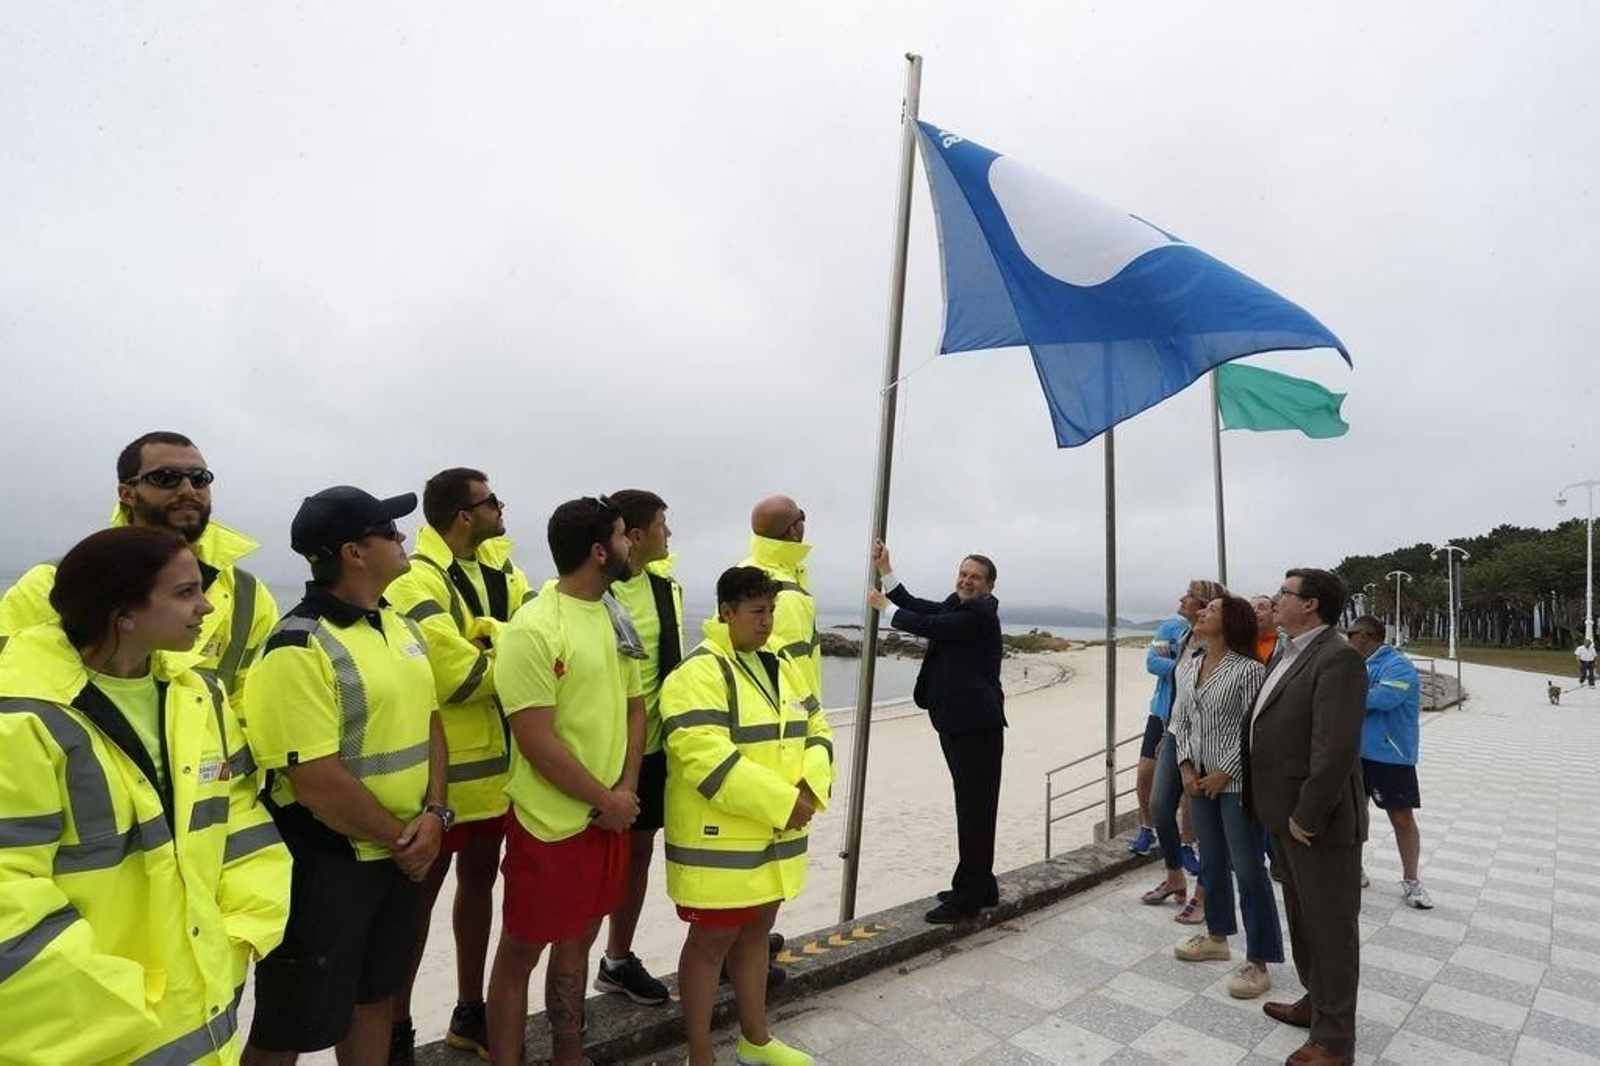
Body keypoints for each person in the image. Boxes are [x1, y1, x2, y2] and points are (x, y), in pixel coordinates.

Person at [0, 527, 291, 1063]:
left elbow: (241, 815)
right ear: (122, 613)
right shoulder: (23, 719)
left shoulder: (198, 694)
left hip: (205, 1009)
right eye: (184, 593)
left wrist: (241, 934)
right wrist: (131, 999)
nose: (206, 607)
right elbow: (8, 897)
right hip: (95, 1036)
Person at [242, 487, 449, 1065]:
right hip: (328, 865)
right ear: (355, 552)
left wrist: (435, 815)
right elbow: (315, 780)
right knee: (288, 1023)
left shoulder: (400, 627)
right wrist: (403, 839)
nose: (403, 538)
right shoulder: (296, 645)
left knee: (376, 999)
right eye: (390, 530)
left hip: (403, 854)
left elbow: (430, 722)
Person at [485, 497, 645, 1066]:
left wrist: (624, 791)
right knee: (520, 952)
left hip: (609, 817)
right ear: (600, 551)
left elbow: (634, 707)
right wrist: (605, 797)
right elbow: (536, 740)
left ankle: (568, 1053)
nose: (634, 545)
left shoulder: (612, 613)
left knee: (579, 939)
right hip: (549, 824)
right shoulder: (532, 628)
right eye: (626, 537)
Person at [383, 469, 537, 1060]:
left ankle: (468, 1011)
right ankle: (398, 1029)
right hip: (440, 776)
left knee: (481, 884)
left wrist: (485, 634)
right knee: (414, 905)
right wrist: (512, 658)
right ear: (464, 515)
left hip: (503, 773)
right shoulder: (415, 577)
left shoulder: (505, 572)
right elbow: (453, 674)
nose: (503, 507)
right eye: (491, 500)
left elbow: (540, 646)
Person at [0, 431, 278, 748]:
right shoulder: (53, 583)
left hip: (220, 788)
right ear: (127, 493)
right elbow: (11, 694)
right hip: (87, 779)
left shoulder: (249, 596)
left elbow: (259, 705)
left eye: (200, 478)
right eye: (166, 478)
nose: (188, 490)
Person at [663, 566, 833, 1066]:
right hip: (722, 841)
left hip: (776, 836)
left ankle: (754, 1040)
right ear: (726, 611)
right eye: (757, 611)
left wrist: (810, 785)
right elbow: (705, 758)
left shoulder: (781, 662)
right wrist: (786, 803)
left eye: (771, 611)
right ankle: (700, 1055)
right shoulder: (697, 672)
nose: (767, 622)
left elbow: (817, 724)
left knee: (758, 932)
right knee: (710, 942)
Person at [1245, 569, 1368, 1065]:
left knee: (1331, 929)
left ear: (1311, 604)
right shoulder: (1290, 650)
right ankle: (1315, 1002)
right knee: (1302, 916)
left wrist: (1308, 815)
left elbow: (1335, 749)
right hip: (1283, 814)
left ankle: (1335, 1039)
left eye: (1285, 592)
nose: (1275, 598)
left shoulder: (1338, 658)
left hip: (1316, 821)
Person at [868, 540, 1005, 924]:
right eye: (963, 574)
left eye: (975, 577)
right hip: (961, 721)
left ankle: (969, 896)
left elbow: (928, 625)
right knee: (975, 806)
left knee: (974, 809)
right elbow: (918, 606)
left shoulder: (978, 614)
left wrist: (886, 609)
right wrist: (886, 568)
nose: (967, 581)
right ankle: (981, 883)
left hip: (975, 725)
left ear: (990, 585)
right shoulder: (959, 604)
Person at [590, 489, 682, 1007]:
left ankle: (617, 960)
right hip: (599, 753)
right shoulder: (597, 592)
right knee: (595, 859)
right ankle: (566, 976)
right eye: (663, 525)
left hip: (651, 750)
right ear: (636, 535)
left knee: (639, 855)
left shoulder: (667, 589)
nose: (671, 534)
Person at [1169, 595, 1282, 1000]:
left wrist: (1226, 771)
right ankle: (1217, 935)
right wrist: (1185, 766)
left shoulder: (1250, 669)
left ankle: (1260, 958)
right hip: (1197, 781)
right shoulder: (1190, 665)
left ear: (1230, 621)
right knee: (1212, 862)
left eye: (1211, 610)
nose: (1201, 613)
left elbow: (1255, 728)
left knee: (1249, 868)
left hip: (1233, 783)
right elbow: (1179, 718)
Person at [1142, 581, 1226, 923]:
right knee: (1160, 805)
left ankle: (1205, 896)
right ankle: (1175, 876)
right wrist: (1169, 729)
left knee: (1208, 820)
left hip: (1209, 740)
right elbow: (1179, 687)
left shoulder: (1222, 647)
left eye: (1191, 598)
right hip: (1175, 731)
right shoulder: (1182, 638)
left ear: (1206, 606)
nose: (1183, 600)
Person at [1345, 615, 1433, 909]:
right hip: (1357, 754)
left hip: (1391, 756)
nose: (1347, 638)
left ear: (1366, 636)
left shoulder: (1398, 665)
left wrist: (1339, 694)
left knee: (1401, 818)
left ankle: (1412, 880)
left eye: (1351, 633)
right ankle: (1354, 869)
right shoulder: (1356, 663)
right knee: (1355, 814)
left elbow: (1380, 700)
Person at [741, 495, 822, 702]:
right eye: (801, 516)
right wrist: (811, 724)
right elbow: (793, 673)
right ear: (793, 531)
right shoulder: (785, 594)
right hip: (786, 722)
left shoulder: (741, 573)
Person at [1253, 595, 1283, 664]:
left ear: (1274, 613)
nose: (1255, 611)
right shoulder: (1239, 642)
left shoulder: (1286, 645)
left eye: (1261, 608)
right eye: (1252, 608)